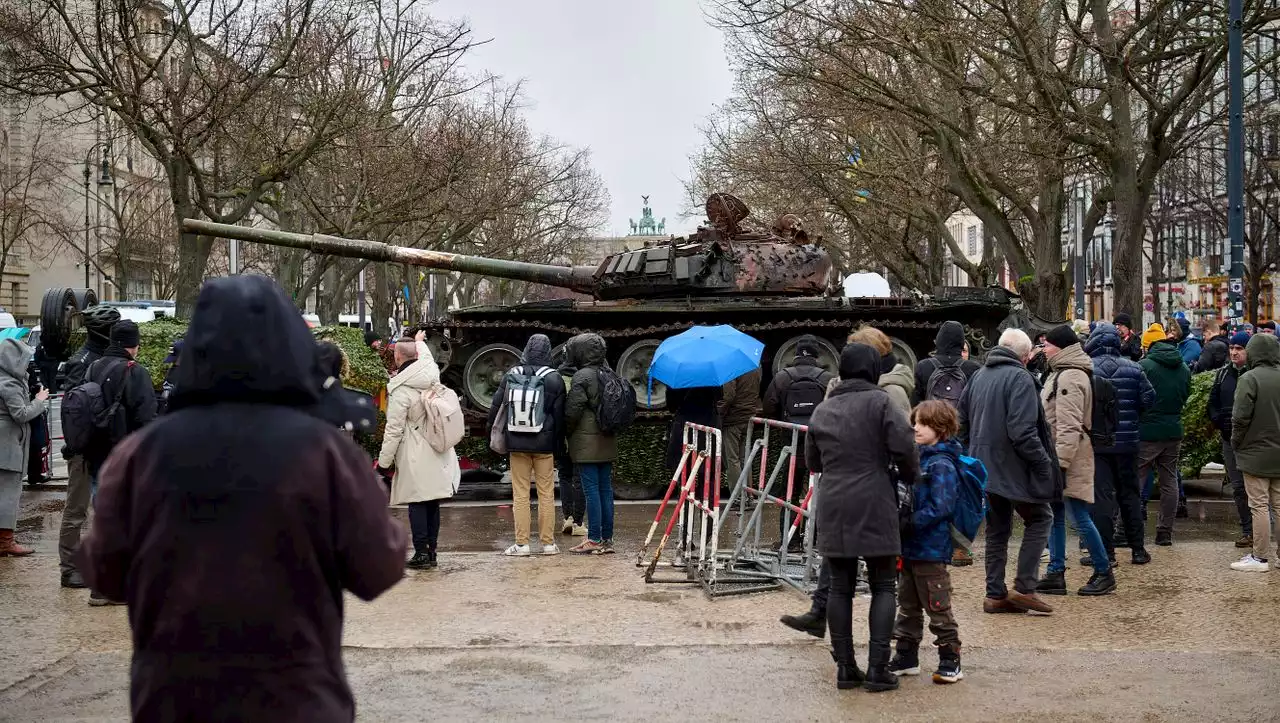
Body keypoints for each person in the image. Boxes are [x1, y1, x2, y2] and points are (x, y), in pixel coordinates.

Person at [78, 275, 407, 722]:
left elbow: (105, 573)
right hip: (297, 699)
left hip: (175, 700)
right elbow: (379, 568)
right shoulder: (323, 452)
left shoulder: (139, 456)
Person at [806, 342, 916, 692]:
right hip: (875, 498)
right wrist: (910, 475)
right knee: (884, 585)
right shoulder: (882, 402)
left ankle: (845, 669)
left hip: (834, 501)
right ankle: (878, 669)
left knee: (840, 586)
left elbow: (812, 463)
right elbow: (905, 447)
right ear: (872, 369)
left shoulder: (823, 409)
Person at [958, 328, 1057, 615]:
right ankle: (1025, 587)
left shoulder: (979, 375)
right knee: (1041, 517)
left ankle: (995, 594)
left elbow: (961, 421)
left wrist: (971, 454)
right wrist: (1042, 462)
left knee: (997, 530)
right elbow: (1023, 432)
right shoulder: (1020, 378)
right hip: (1013, 466)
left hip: (983, 467)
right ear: (1025, 356)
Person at [1033, 325, 1114, 596]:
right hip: (1062, 455)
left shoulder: (1069, 377)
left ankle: (1103, 571)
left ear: (1061, 347)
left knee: (1077, 516)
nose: (1043, 349)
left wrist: (1060, 463)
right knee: (1056, 514)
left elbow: (1069, 425)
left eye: (1047, 345)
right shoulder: (1062, 373)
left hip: (1067, 457)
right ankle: (1056, 573)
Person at [887, 400, 963, 685]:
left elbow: (942, 506)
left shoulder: (941, 463)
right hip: (910, 547)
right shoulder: (919, 457)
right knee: (907, 603)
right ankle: (907, 656)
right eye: (915, 421)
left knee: (937, 604)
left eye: (923, 423)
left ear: (941, 429)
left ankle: (950, 658)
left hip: (931, 547)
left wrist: (911, 522)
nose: (915, 427)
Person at [379, 333, 460, 569]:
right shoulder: (430, 372)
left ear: (397, 357)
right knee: (432, 502)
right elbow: (424, 355)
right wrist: (419, 341)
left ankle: (421, 553)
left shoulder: (401, 389)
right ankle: (431, 552)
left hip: (414, 452)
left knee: (417, 502)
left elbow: (393, 431)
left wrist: (384, 463)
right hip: (436, 446)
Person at [57, 304, 120, 589]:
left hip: (103, 446)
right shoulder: (81, 361)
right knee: (76, 510)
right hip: (83, 449)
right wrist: (77, 445)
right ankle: (69, 568)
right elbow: (73, 408)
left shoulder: (105, 358)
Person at [487, 334, 566, 557]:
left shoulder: (511, 375)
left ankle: (522, 545)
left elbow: (496, 409)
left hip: (517, 442)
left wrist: (491, 435)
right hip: (544, 445)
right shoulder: (554, 378)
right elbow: (560, 417)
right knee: (546, 494)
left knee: (520, 494)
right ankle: (548, 544)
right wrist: (558, 444)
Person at [1085, 322, 1156, 566]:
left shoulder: (1087, 369)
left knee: (1102, 498)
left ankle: (1106, 553)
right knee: (1130, 495)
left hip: (1098, 444)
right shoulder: (1134, 368)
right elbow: (1149, 398)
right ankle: (1138, 550)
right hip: (1128, 443)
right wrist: (1134, 418)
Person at [1230, 332, 1280, 572]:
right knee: (1279, 505)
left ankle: (1260, 557)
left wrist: (1235, 443)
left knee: (1259, 505)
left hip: (1254, 452)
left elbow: (1240, 418)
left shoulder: (1249, 379)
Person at [1137, 331, 1192, 547]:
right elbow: (1186, 395)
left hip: (1147, 432)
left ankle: (1130, 530)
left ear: (1148, 346)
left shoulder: (1145, 366)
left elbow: (1138, 398)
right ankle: (1164, 532)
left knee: (1137, 479)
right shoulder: (1184, 367)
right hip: (1173, 430)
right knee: (1170, 481)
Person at [564, 333, 618, 555]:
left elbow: (572, 411)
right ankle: (607, 538)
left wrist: (565, 431)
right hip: (608, 438)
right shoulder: (610, 373)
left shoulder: (581, 376)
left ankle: (594, 538)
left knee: (591, 490)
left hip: (586, 443)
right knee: (606, 489)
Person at [0, 339, 49, 556]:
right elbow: (20, 414)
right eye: (24, 359)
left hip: (7, 444)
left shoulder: (9, 379)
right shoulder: (8, 384)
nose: (28, 362)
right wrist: (39, 400)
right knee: (8, 494)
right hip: (7, 446)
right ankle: (5, 541)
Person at [1212, 331, 1254, 549]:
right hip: (1229, 439)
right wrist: (1218, 420)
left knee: (1257, 489)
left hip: (1252, 441)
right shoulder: (1222, 375)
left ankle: (1263, 530)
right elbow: (1213, 402)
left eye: (1239, 348)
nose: (1234, 352)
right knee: (1238, 487)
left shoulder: (1255, 374)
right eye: (1232, 348)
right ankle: (1248, 530)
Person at [911, 321, 981, 406]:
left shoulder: (924, 366)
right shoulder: (973, 368)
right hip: (959, 418)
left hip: (931, 418)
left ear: (939, 339)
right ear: (961, 342)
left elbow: (915, 404)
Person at [556, 351, 587, 537]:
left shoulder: (555, 378)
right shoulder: (584, 378)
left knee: (564, 476)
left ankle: (567, 517)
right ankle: (578, 522)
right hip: (579, 435)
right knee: (579, 478)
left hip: (561, 435)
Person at [718, 367, 761, 489]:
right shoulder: (755, 367)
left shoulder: (730, 368)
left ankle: (737, 497)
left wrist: (719, 412)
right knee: (745, 458)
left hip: (733, 418)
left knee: (732, 459)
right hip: (748, 415)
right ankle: (747, 496)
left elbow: (729, 396)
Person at [665, 385, 721, 475]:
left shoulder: (678, 379)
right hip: (708, 421)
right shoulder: (712, 378)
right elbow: (719, 396)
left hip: (685, 424)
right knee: (708, 467)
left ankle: (685, 488)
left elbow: (672, 406)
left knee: (683, 465)